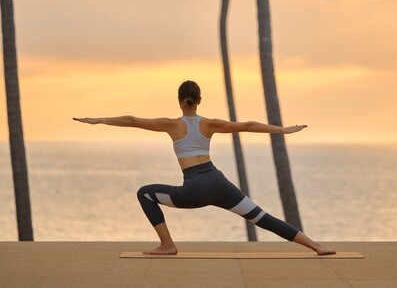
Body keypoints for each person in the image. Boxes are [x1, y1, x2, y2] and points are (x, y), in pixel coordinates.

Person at [74, 80, 335, 256]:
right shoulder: (209, 124)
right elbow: (246, 125)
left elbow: (132, 120)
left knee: (144, 193)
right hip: (219, 184)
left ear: (179, 101)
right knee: (262, 218)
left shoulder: (172, 125)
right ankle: (315, 246)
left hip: (195, 189)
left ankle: (167, 244)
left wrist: (98, 120)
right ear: (199, 100)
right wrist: (283, 129)